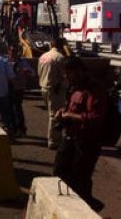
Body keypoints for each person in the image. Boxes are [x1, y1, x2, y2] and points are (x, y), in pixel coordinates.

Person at [52, 57, 106, 212]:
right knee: (59, 173)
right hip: (70, 139)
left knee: (80, 181)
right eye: (65, 74)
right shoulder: (74, 87)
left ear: (80, 71)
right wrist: (62, 112)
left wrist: (69, 116)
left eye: (69, 73)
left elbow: (95, 118)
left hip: (86, 143)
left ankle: (88, 209)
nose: (66, 77)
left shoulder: (94, 90)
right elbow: (71, 107)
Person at [37, 38, 68, 149]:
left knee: (51, 114)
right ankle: (54, 141)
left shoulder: (43, 56)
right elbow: (65, 75)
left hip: (43, 87)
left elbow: (39, 72)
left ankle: (54, 138)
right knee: (55, 115)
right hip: (55, 89)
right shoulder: (60, 58)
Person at [8, 45, 35, 137]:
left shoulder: (22, 62)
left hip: (18, 89)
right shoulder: (6, 62)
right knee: (10, 109)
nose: (14, 53)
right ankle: (13, 128)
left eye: (16, 52)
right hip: (8, 88)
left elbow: (32, 73)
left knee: (18, 108)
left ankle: (21, 129)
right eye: (12, 52)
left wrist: (26, 71)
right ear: (9, 52)